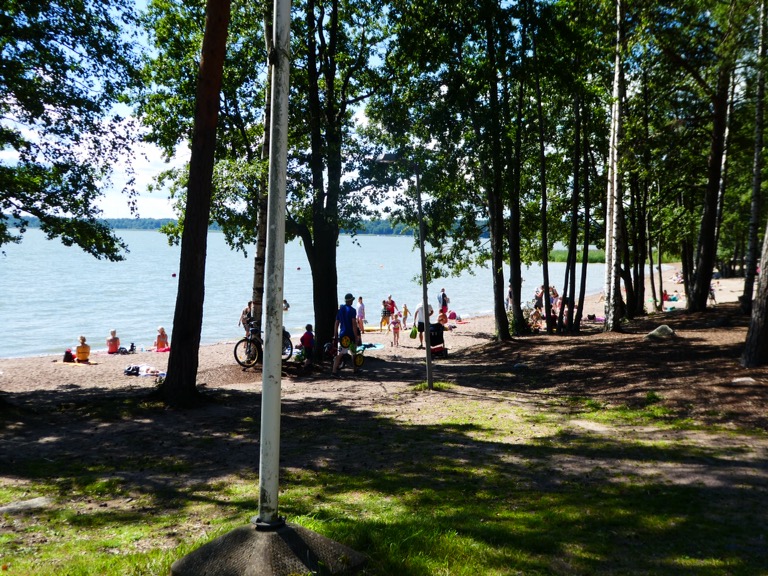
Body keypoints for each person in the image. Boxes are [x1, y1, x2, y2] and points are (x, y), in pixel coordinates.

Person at [332, 293, 361, 376]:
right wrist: (356, 336)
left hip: (342, 335)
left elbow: (336, 323)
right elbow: (354, 324)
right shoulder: (352, 310)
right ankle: (355, 369)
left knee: (340, 353)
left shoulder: (340, 310)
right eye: (352, 300)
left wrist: (335, 334)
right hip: (350, 335)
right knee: (353, 352)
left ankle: (334, 370)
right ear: (350, 301)